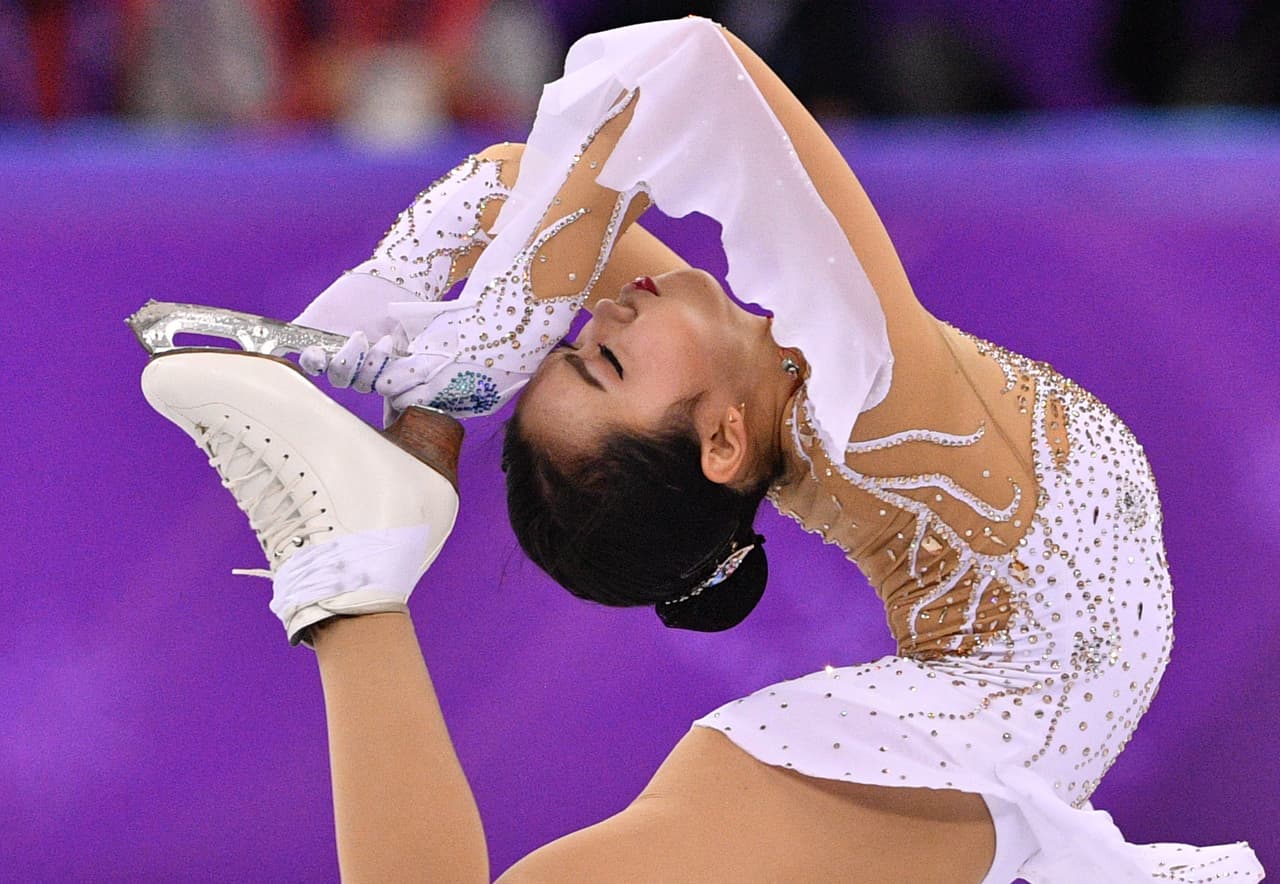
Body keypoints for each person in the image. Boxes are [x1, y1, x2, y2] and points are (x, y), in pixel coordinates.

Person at [139, 17, 1263, 883]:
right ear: (722, 441)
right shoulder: (868, 387)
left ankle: (362, 551)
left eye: (572, 341)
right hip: (979, 731)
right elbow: (686, 66)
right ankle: (350, 580)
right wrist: (479, 341)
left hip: (1002, 740)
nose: (601, 310)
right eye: (604, 364)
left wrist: (413, 381)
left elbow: (507, 193)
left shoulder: (761, 381)